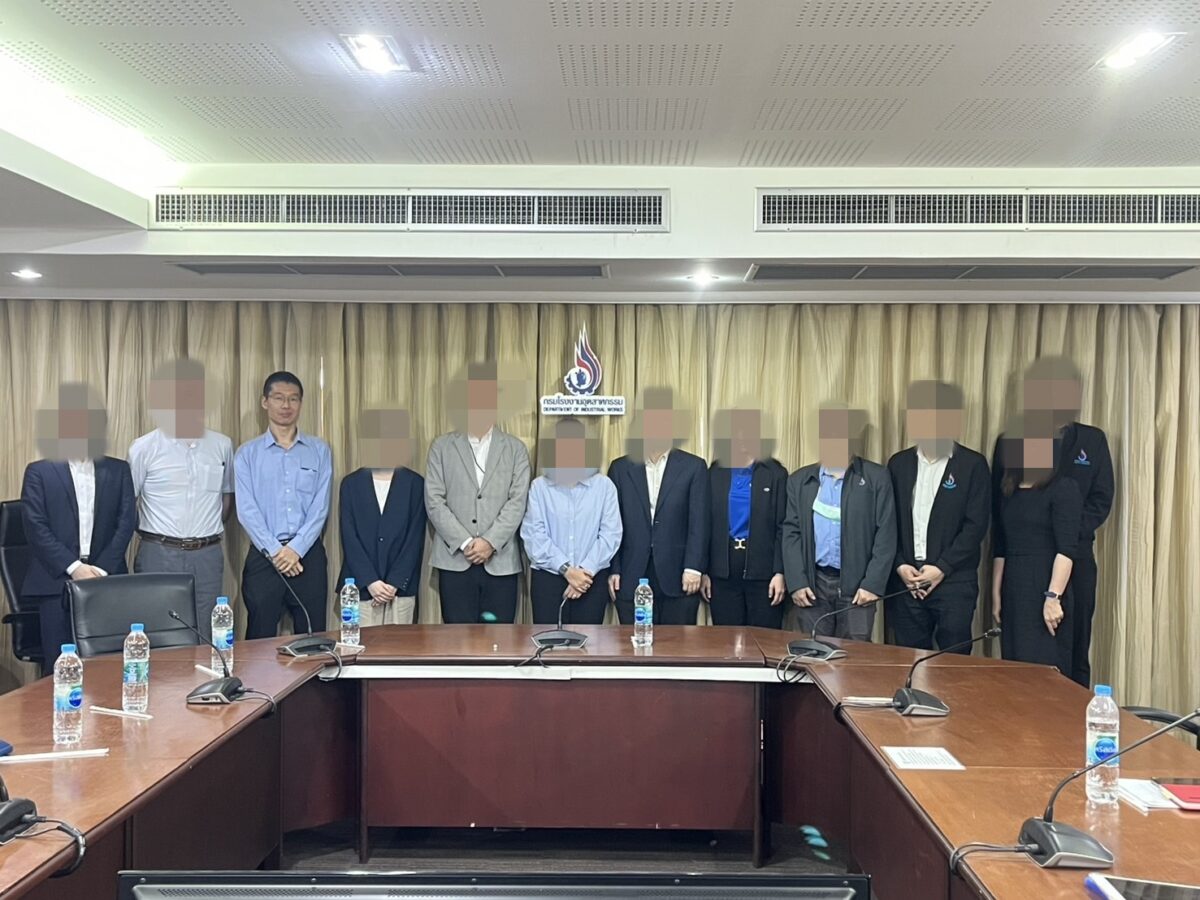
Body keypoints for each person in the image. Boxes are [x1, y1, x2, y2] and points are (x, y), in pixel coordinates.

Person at [992, 356, 1113, 687]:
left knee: (1072, 652)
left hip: (1075, 561)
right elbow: (999, 510)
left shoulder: (1092, 440)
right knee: (1020, 658)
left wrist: (1064, 537)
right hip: (1021, 564)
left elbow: (1101, 500)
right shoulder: (1010, 440)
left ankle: (1073, 714)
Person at [20, 383, 136, 672]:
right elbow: (35, 526)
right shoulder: (39, 472)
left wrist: (101, 570)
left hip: (106, 580)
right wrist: (75, 568)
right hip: (56, 581)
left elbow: (126, 522)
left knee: (107, 667)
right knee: (60, 668)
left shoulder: (118, 470)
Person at [128, 358, 235, 639]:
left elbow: (226, 499)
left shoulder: (222, 445)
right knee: (158, 631)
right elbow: (128, 504)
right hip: (158, 553)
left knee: (208, 633)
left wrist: (202, 532)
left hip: (207, 555)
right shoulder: (143, 447)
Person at [887, 381, 990, 652]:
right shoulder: (898, 464)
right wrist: (900, 565)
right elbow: (887, 522)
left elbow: (975, 526)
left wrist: (941, 567)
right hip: (906, 582)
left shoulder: (972, 465)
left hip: (953, 581)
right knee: (907, 660)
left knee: (953, 662)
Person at [425, 362, 530, 624]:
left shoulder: (515, 449)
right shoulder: (442, 447)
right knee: (456, 641)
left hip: (501, 561)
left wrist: (489, 542)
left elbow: (517, 501)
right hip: (455, 560)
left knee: (500, 640)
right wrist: (466, 543)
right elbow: (434, 500)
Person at [782, 404, 895, 642]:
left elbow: (886, 534)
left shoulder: (876, 478)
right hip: (813, 587)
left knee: (854, 656)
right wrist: (797, 582)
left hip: (858, 589)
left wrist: (872, 584)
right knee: (814, 654)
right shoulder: (800, 481)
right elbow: (791, 533)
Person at [235, 371, 333, 639]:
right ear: (265, 402)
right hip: (265, 556)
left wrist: (296, 549)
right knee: (259, 640)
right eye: (278, 398)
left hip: (307, 556)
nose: (286, 405)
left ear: (301, 403)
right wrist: (278, 552)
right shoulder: (247, 454)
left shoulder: (319, 450)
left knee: (313, 639)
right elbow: (247, 511)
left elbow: (320, 507)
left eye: (293, 399)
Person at [607, 387, 710, 625]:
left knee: (677, 644)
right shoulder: (620, 468)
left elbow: (699, 522)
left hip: (679, 576)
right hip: (631, 574)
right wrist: (614, 569)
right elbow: (612, 523)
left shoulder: (693, 467)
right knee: (633, 643)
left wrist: (694, 567)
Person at [992, 414, 1082, 674]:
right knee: (1014, 668)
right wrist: (996, 595)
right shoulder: (1009, 489)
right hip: (1013, 588)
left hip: (1045, 586)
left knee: (1044, 670)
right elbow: (1001, 546)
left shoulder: (1064, 488)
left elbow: (1066, 550)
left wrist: (1053, 597)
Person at [521, 417, 622, 626]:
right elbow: (534, 536)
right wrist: (567, 570)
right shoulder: (539, 487)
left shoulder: (604, 487)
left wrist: (583, 573)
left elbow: (610, 534)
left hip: (591, 579)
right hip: (549, 579)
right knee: (547, 641)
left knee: (589, 643)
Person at [701, 407, 788, 628]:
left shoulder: (775, 474)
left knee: (764, 640)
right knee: (725, 640)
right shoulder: (715, 473)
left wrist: (780, 572)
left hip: (764, 574)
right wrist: (704, 570)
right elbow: (704, 525)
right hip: (722, 573)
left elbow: (783, 527)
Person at [339, 408, 426, 626]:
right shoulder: (351, 484)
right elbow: (349, 537)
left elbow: (414, 539)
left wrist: (394, 583)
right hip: (359, 587)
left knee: (399, 645)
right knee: (357, 645)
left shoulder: (415, 484)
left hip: (400, 589)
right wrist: (370, 581)